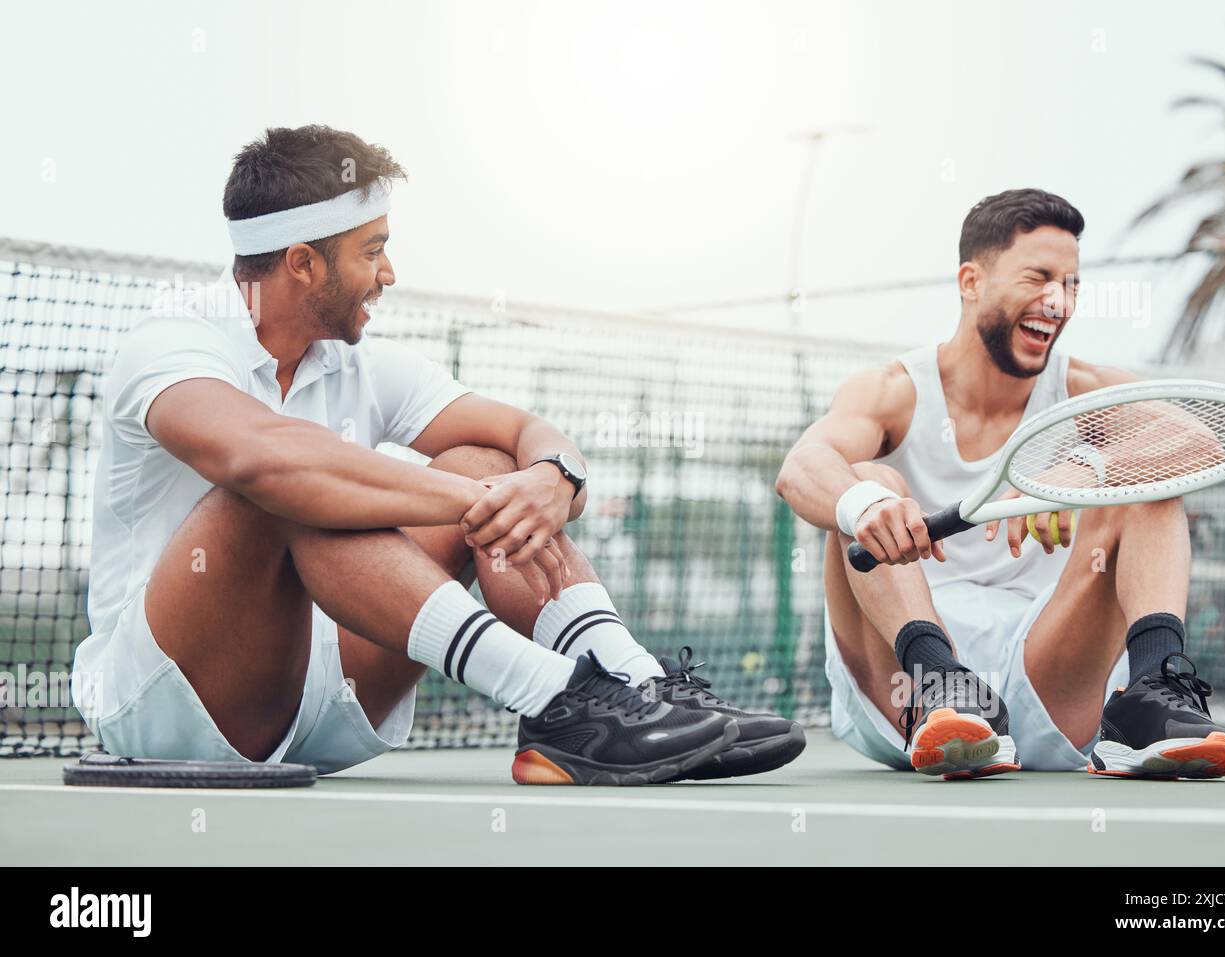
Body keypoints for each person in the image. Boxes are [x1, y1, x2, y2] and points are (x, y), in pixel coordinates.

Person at [72, 124, 805, 785]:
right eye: (372, 251)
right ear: (302, 263)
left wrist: (551, 478)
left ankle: (634, 682)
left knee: (483, 459)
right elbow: (266, 459)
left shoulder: (361, 365)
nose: (388, 273)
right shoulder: (170, 344)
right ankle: (554, 696)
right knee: (293, 483)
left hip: (329, 700)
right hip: (172, 704)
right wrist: (482, 504)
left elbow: (524, 431)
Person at [776, 188, 1225, 780]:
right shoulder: (893, 391)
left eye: (1070, 285)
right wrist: (865, 505)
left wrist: (1084, 471)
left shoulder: (1085, 390)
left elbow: (1202, 442)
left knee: (1148, 480)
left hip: (1050, 678)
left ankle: (1151, 697)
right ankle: (940, 679)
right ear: (971, 281)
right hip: (907, 688)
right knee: (867, 480)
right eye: (1038, 278)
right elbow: (803, 466)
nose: (1058, 301)